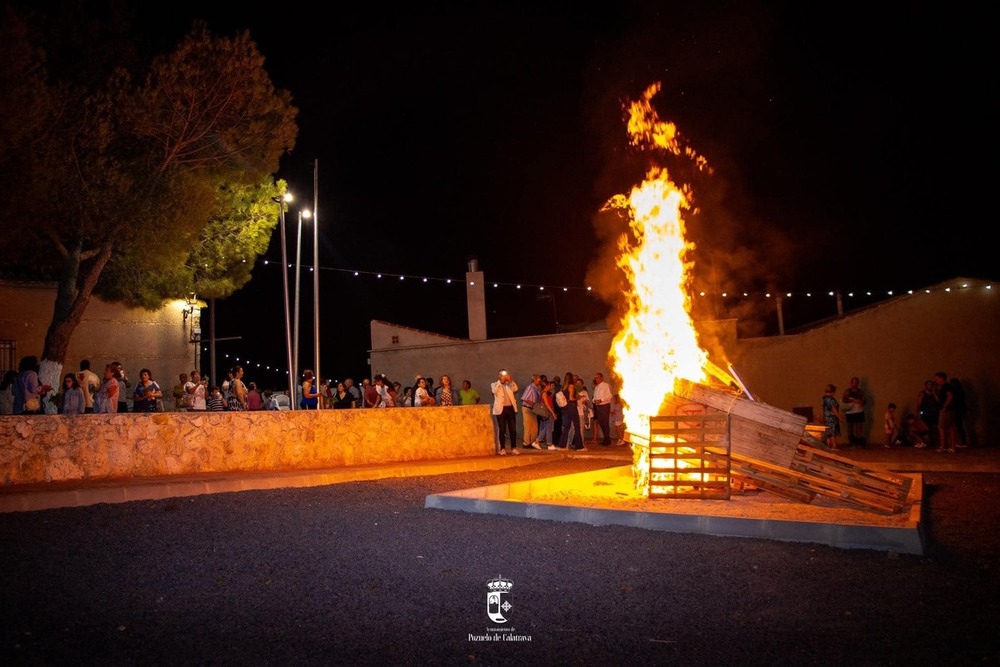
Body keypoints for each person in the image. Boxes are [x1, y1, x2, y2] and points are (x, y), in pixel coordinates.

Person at [491, 369, 519, 456]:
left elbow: (515, 388)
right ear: (499, 376)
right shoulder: (495, 384)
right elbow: (494, 391)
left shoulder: (509, 384)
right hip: (501, 409)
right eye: (502, 375)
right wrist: (500, 382)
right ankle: (502, 448)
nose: (504, 376)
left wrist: (510, 380)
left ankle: (513, 448)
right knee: (502, 429)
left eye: (505, 375)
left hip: (510, 408)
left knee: (513, 429)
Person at [557, 371, 584, 451]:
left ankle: (562, 445)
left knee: (566, 426)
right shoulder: (571, 386)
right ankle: (579, 446)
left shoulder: (563, 387)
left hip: (565, 408)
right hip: (572, 407)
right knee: (577, 426)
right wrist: (578, 398)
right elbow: (571, 398)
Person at [934, 371, 958, 453]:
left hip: (946, 410)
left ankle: (943, 446)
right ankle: (952, 447)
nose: (936, 380)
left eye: (937, 378)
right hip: (949, 409)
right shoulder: (943, 387)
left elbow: (950, 396)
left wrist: (945, 406)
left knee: (941, 427)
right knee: (950, 427)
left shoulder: (946, 386)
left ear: (941, 378)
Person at [842, 376, 867, 447]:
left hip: (859, 412)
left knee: (859, 428)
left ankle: (859, 441)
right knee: (850, 428)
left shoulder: (860, 392)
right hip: (850, 412)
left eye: (856, 383)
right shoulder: (847, 391)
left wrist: (861, 401)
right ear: (851, 383)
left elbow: (865, 400)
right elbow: (844, 400)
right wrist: (853, 400)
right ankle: (851, 442)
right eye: (853, 383)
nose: (854, 385)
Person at [520, 374, 543, 450]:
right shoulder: (530, 387)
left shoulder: (537, 388)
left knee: (535, 427)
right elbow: (525, 398)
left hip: (533, 409)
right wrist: (534, 404)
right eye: (539, 379)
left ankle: (533, 442)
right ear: (535, 379)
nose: (540, 380)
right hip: (527, 408)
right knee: (527, 426)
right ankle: (526, 443)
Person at [916, 379, 940, 449]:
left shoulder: (934, 393)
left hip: (934, 413)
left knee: (934, 428)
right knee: (926, 428)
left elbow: (938, 401)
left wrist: (934, 393)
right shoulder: (922, 393)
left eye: (931, 384)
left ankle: (934, 442)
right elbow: (919, 403)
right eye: (929, 384)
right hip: (925, 413)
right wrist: (918, 412)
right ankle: (925, 442)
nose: (930, 386)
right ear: (926, 385)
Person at [591, 372, 613, 446]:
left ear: (601, 378)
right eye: (595, 378)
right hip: (598, 407)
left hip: (604, 406)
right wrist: (594, 400)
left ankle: (607, 440)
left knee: (605, 423)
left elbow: (609, 396)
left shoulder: (606, 385)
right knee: (601, 423)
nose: (596, 379)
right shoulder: (596, 387)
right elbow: (594, 397)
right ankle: (606, 438)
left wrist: (601, 400)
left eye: (597, 377)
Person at [538, 380, 558, 450]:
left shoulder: (545, 393)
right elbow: (547, 404)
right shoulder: (544, 393)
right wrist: (553, 413)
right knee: (548, 428)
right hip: (548, 412)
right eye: (549, 385)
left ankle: (537, 441)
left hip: (548, 412)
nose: (550, 386)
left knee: (547, 428)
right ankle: (549, 444)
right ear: (546, 386)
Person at [822, 383, 843, 450]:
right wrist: (839, 417)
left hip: (827, 417)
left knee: (828, 432)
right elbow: (833, 409)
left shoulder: (824, 399)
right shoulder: (831, 400)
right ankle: (834, 446)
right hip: (832, 418)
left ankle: (828, 446)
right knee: (833, 432)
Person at [949, 377, 968, 448]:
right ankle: (963, 441)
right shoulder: (961, 391)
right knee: (960, 426)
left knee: (958, 426)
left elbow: (955, 401)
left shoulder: (955, 392)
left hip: (957, 410)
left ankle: (962, 442)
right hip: (961, 409)